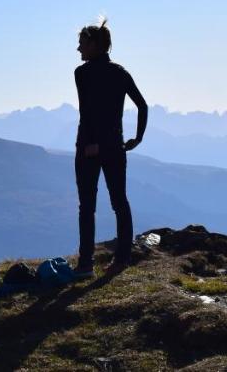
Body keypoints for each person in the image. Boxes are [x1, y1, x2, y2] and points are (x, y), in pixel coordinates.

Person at [71, 18, 147, 278]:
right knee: (119, 202)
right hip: (116, 145)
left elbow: (88, 112)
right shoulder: (121, 72)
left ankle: (85, 265)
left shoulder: (82, 74)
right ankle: (122, 258)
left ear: (93, 44)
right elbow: (143, 106)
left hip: (88, 146)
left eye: (81, 44)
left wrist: (92, 143)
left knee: (87, 206)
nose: (79, 49)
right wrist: (137, 139)